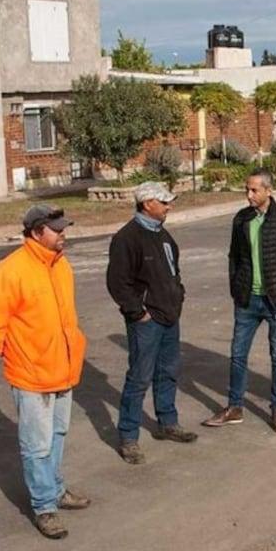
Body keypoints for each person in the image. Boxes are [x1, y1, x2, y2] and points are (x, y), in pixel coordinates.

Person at [0, 204, 90, 540]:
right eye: (57, 230)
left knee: (57, 435)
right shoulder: (11, 270)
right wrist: (18, 354)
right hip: (31, 373)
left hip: (63, 369)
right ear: (37, 232)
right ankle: (44, 507)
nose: (63, 235)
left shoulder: (61, 266)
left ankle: (55, 489)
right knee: (37, 444)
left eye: (64, 228)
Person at [203, 169, 276, 433]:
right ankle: (235, 407)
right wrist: (236, 289)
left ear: (268, 190)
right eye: (246, 190)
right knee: (238, 354)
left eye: (254, 190)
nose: (249, 195)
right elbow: (234, 258)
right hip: (247, 300)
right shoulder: (242, 219)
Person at [106, 181, 197, 465]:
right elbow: (117, 283)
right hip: (147, 321)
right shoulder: (127, 238)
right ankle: (129, 436)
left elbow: (174, 272)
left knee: (168, 371)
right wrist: (138, 312)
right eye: (164, 202)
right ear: (147, 204)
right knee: (139, 377)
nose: (169, 206)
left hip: (170, 316)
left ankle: (167, 422)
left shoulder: (164, 236)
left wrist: (178, 295)